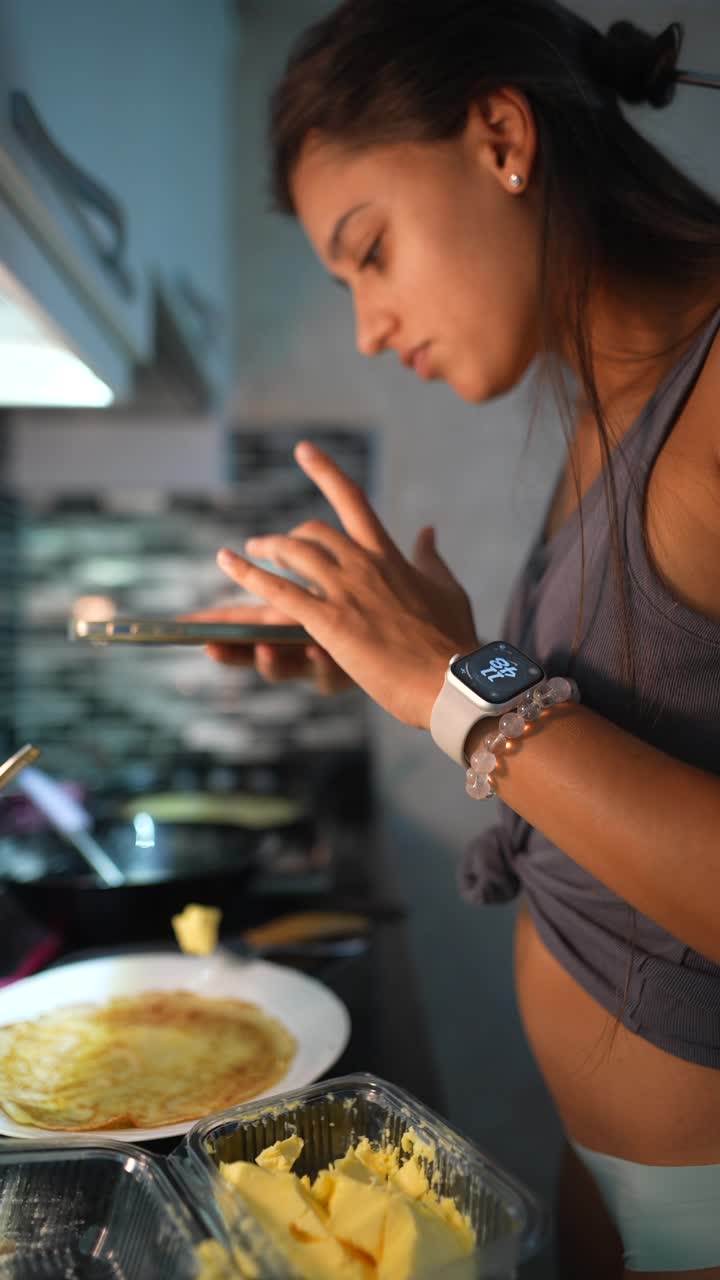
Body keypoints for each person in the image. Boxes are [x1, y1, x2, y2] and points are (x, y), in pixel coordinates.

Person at [198, 3, 720, 1274]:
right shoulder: (609, 412)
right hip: (617, 1185)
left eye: (370, 251)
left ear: (499, 136)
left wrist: (451, 687)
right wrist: (413, 672)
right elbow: (576, 755)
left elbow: (515, 725)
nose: (371, 326)